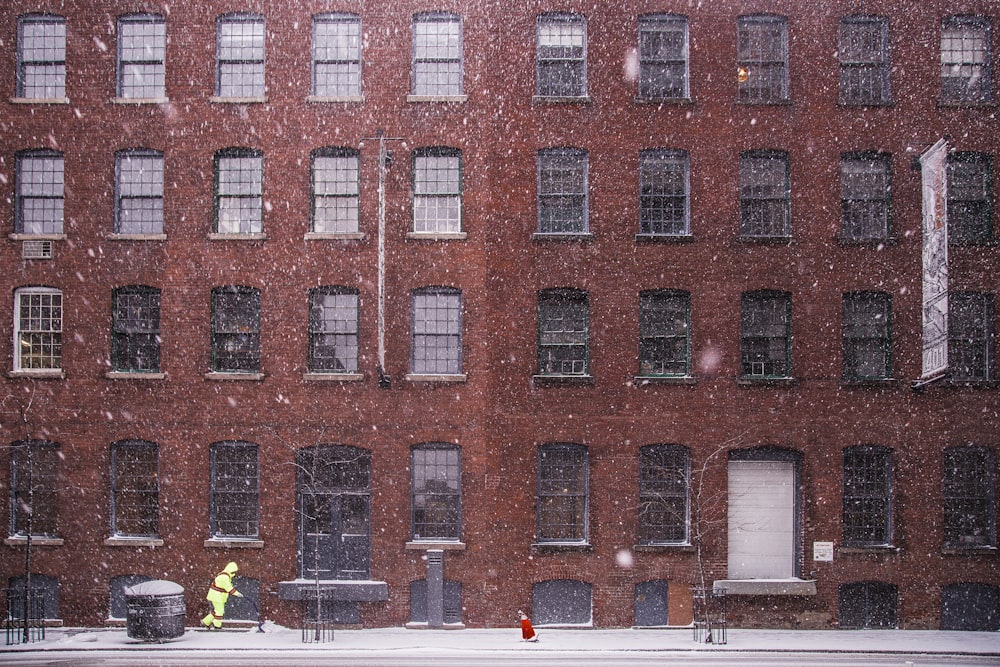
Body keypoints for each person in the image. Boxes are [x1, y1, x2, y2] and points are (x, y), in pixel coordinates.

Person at [201, 561, 243, 629]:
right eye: (234, 571)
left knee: (217, 611)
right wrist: (237, 594)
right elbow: (229, 588)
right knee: (220, 611)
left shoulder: (224, 575)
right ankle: (217, 625)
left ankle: (205, 621)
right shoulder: (224, 578)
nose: (234, 573)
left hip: (217, 596)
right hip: (217, 596)